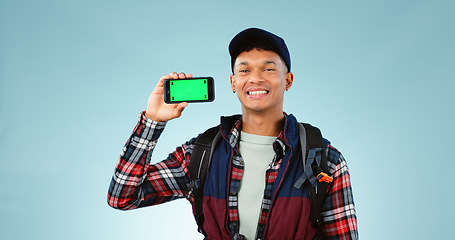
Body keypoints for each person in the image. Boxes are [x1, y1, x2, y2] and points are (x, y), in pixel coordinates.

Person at [108, 28, 358, 240]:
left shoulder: (324, 160)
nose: (256, 79)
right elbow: (123, 197)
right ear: (233, 82)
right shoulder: (199, 154)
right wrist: (152, 121)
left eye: (269, 69)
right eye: (245, 70)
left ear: (288, 80)